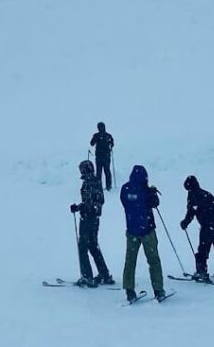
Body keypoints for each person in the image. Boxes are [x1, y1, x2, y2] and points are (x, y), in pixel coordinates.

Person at [119, 165, 166, 301]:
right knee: (153, 261)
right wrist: (152, 192)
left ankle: (129, 290)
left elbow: (124, 202)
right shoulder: (146, 191)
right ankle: (158, 290)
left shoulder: (125, 189)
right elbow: (155, 204)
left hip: (132, 230)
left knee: (130, 261)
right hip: (147, 230)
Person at [69, 159, 114, 287]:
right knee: (93, 246)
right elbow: (99, 201)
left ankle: (87, 276)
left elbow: (88, 203)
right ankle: (104, 273)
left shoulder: (88, 183)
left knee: (83, 247)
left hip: (87, 219)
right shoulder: (97, 181)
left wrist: (79, 208)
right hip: (95, 218)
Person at [89, 122, 114, 191]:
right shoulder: (108, 135)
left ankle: (99, 186)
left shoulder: (97, 135)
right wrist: (110, 144)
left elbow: (91, 143)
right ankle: (108, 186)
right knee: (106, 171)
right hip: (105, 156)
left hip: (100, 156)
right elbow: (112, 144)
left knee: (99, 172)